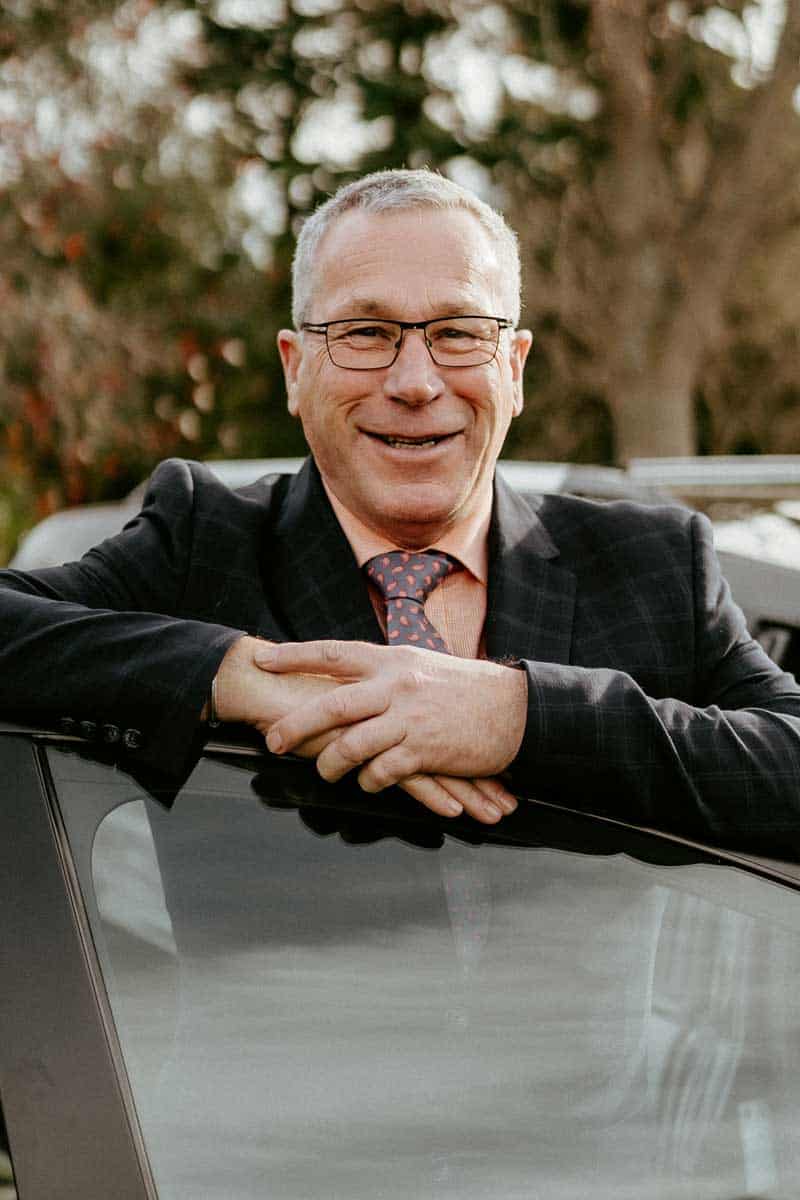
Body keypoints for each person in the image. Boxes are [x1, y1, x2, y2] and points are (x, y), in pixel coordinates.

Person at [3, 167, 800, 849]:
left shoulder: (653, 564)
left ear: (514, 368)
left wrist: (521, 717)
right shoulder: (201, 544)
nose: (416, 382)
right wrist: (235, 674)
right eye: (365, 331)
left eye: (458, 332)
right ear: (295, 368)